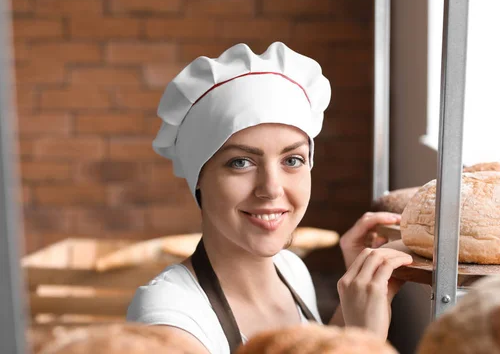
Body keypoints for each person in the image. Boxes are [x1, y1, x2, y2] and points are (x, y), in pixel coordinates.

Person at [126, 42, 413, 354]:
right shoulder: (168, 320)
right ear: (199, 179)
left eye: (292, 160)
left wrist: (353, 309)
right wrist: (366, 343)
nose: (272, 188)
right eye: (240, 162)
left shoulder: (290, 269)